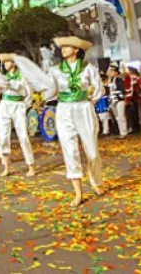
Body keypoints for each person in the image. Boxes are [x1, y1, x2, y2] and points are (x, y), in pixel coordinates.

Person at [49, 35, 103, 208]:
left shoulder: (88, 68)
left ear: (77, 50)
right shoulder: (56, 70)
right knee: (70, 150)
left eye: (68, 46)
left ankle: (95, 181)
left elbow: (99, 89)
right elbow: (50, 90)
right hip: (64, 109)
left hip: (84, 108)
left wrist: (90, 100)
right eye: (62, 46)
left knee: (92, 151)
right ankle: (78, 192)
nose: (63, 49)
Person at [0, 53, 36, 177]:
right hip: (5, 105)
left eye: (8, 61)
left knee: (23, 137)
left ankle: (31, 166)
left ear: (14, 63)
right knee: (4, 136)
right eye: (4, 62)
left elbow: (29, 93)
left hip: (18, 105)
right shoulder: (2, 76)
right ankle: (6, 166)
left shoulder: (22, 76)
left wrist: (24, 106)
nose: (5, 64)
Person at [106, 64, 128, 138]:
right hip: (113, 100)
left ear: (115, 72)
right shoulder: (110, 80)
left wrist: (117, 96)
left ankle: (124, 132)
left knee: (121, 116)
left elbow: (121, 90)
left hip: (119, 100)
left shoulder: (119, 79)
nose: (110, 73)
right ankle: (121, 131)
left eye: (112, 71)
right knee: (117, 117)